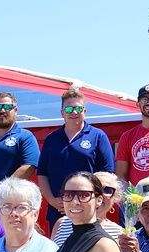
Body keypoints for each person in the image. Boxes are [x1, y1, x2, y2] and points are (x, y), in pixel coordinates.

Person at [37, 87, 116, 230]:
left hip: (89, 210)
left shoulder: (98, 136)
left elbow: (107, 175)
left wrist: (94, 203)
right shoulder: (51, 139)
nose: (74, 112)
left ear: (84, 112)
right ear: (62, 113)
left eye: (78, 109)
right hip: (58, 210)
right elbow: (42, 174)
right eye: (69, 109)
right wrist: (52, 201)